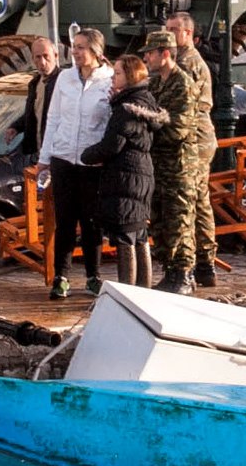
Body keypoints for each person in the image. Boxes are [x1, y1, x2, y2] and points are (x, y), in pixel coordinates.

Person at [34, 25, 117, 298]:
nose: (75, 52)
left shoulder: (109, 80)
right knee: (65, 220)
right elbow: (53, 118)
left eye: (81, 47)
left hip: (91, 162)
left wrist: (103, 156)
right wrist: (45, 158)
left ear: (95, 51)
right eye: (74, 47)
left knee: (92, 221)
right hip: (63, 158)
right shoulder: (65, 79)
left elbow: (109, 123)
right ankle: (62, 276)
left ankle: (93, 275)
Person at [134, 33, 200, 291]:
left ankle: (184, 274)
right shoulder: (155, 84)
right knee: (160, 220)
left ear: (165, 53)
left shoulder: (182, 84)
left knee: (179, 219)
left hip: (179, 165)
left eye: (150, 53)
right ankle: (170, 270)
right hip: (158, 165)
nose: (145, 58)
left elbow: (178, 129)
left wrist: (149, 128)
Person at [162, 10, 222, 287]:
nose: (169, 33)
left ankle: (200, 262)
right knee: (198, 201)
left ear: (188, 33)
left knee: (192, 202)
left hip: (195, 139)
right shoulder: (179, 60)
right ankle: (205, 264)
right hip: (194, 137)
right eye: (167, 28)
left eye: (174, 29)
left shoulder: (187, 64)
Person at [104, 52, 169, 288]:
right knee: (139, 233)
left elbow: (112, 144)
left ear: (130, 77)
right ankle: (144, 291)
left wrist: (87, 155)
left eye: (118, 73)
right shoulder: (145, 101)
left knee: (125, 234)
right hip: (142, 173)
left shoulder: (127, 109)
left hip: (127, 175)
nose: (113, 78)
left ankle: (129, 295)